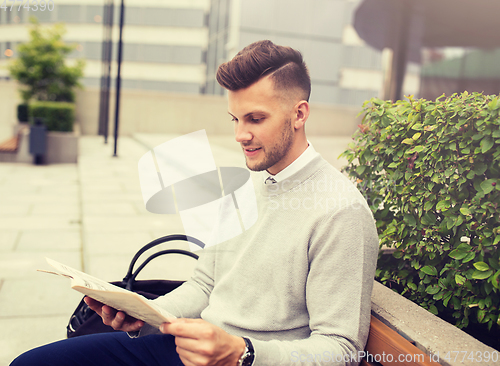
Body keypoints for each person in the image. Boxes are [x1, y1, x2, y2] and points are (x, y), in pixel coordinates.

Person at [11, 40, 378, 366]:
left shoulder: (341, 212)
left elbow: (341, 349)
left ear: (299, 114)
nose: (240, 135)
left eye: (255, 119)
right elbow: (204, 285)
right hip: (185, 349)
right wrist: (146, 315)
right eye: (235, 118)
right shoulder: (245, 183)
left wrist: (243, 353)